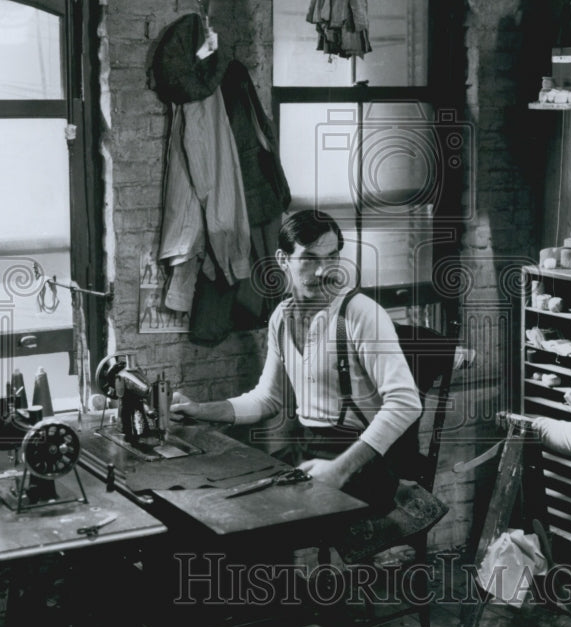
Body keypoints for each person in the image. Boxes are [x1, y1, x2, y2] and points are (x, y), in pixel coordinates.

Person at [169, 209, 422, 514]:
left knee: (262, 520)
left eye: (332, 257)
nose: (322, 270)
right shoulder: (282, 317)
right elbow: (267, 398)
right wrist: (201, 411)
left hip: (365, 462)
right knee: (220, 500)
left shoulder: (361, 314)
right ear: (282, 259)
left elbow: (406, 403)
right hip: (310, 451)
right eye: (310, 258)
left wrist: (339, 470)